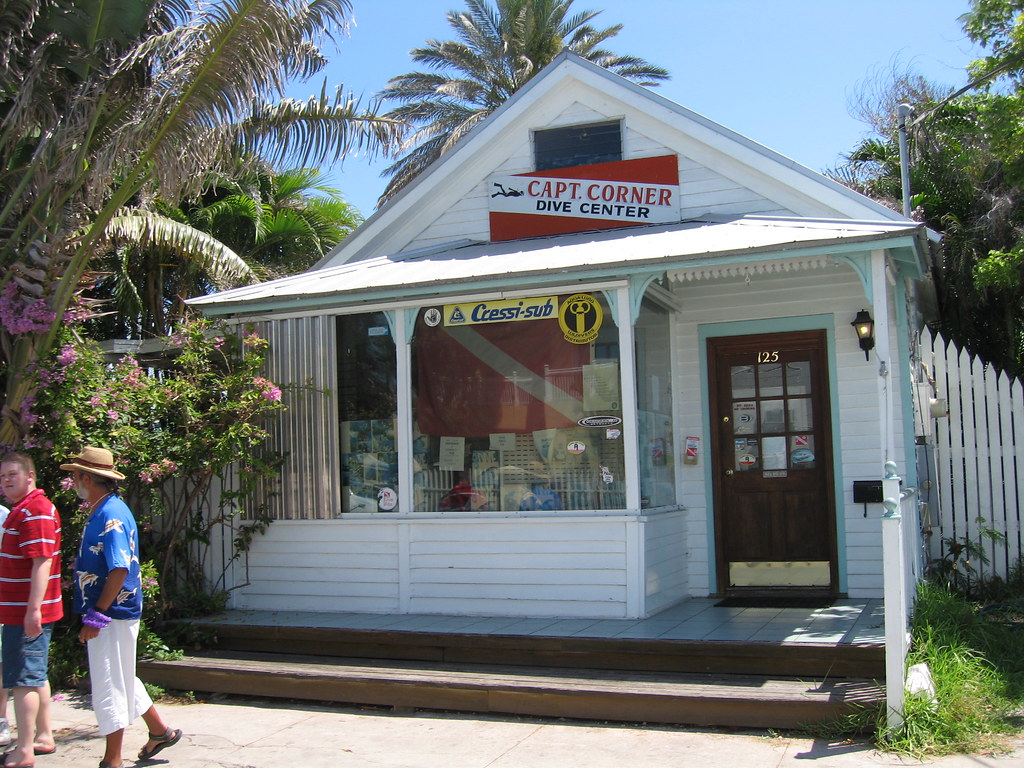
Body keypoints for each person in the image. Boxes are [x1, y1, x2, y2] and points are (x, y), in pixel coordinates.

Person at [63, 447, 182, 768]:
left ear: (88, 478)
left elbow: (119, 568)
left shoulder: (110, 514)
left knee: (108, 682)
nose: (74, 482)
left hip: (111, 613)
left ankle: (112, 759)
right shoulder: (105, 508)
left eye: (76, 476)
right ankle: (160, 731)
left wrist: (98, 614)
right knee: (120, 675)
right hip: (113, 611)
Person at [0, 453, 62, 768]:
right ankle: (43, 735)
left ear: (30, 476)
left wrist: (32, 610)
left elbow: (42, 562)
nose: (6, 481)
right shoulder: (24, 508)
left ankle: (23, 751)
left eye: (12, 474)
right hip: (22, 611)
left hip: (24, 612)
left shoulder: (35, 510)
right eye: (2, 477)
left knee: (23, 680)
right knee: (35, 676)